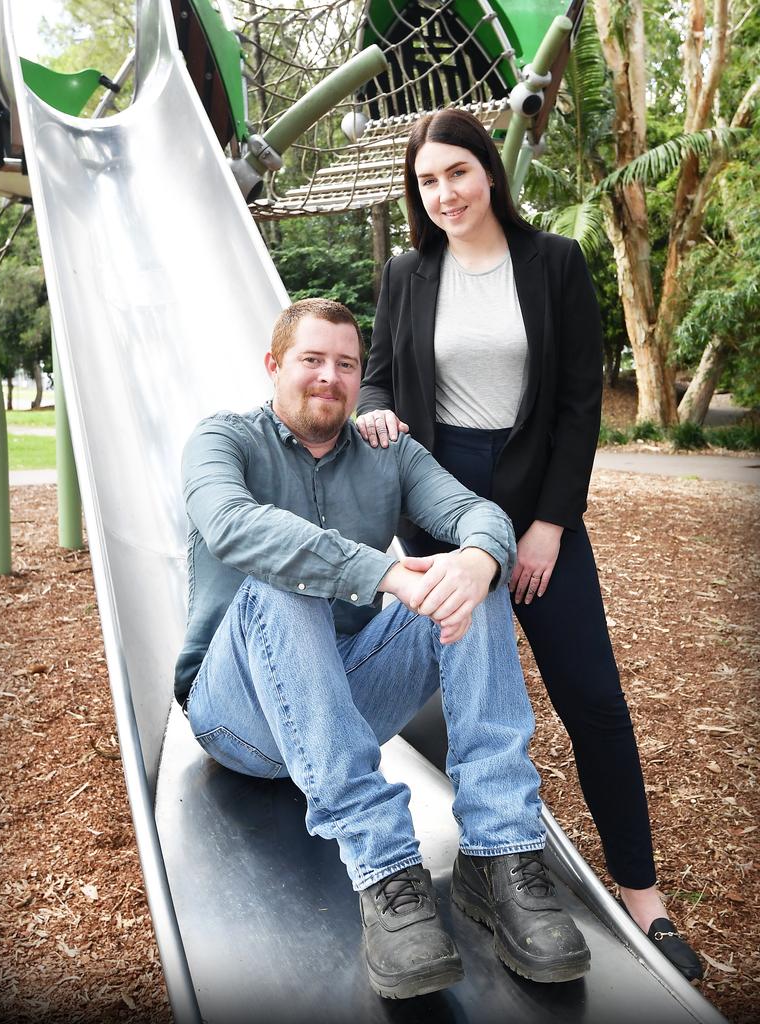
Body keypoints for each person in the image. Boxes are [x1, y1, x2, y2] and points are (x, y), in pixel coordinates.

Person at [356, 108, 703, 981]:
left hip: (537, 498)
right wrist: (371, 408)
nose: (444, 194)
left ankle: (643, 895)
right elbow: (381, 374)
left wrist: (548, 523)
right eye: (428, 181)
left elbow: (581, 400)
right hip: (439, 498)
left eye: (457, 174)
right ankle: (495, 861)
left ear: (489, 172)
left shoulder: (552, 263)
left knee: (591, 695)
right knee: (474, 693)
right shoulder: (407, 272)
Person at [175, 297, 591, 1000]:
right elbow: (232, 525)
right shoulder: (223, 440)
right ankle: (385, 869)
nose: (329, 378)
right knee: (288, 578)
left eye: (344, 364)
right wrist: (386, 571)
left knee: (468, 577)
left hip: (350, 692)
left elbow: (477, 514)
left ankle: (500, 854)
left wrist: (481, 559)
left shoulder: (385, 448)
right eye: (311, 360)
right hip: (238, 715)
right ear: (274, 365)